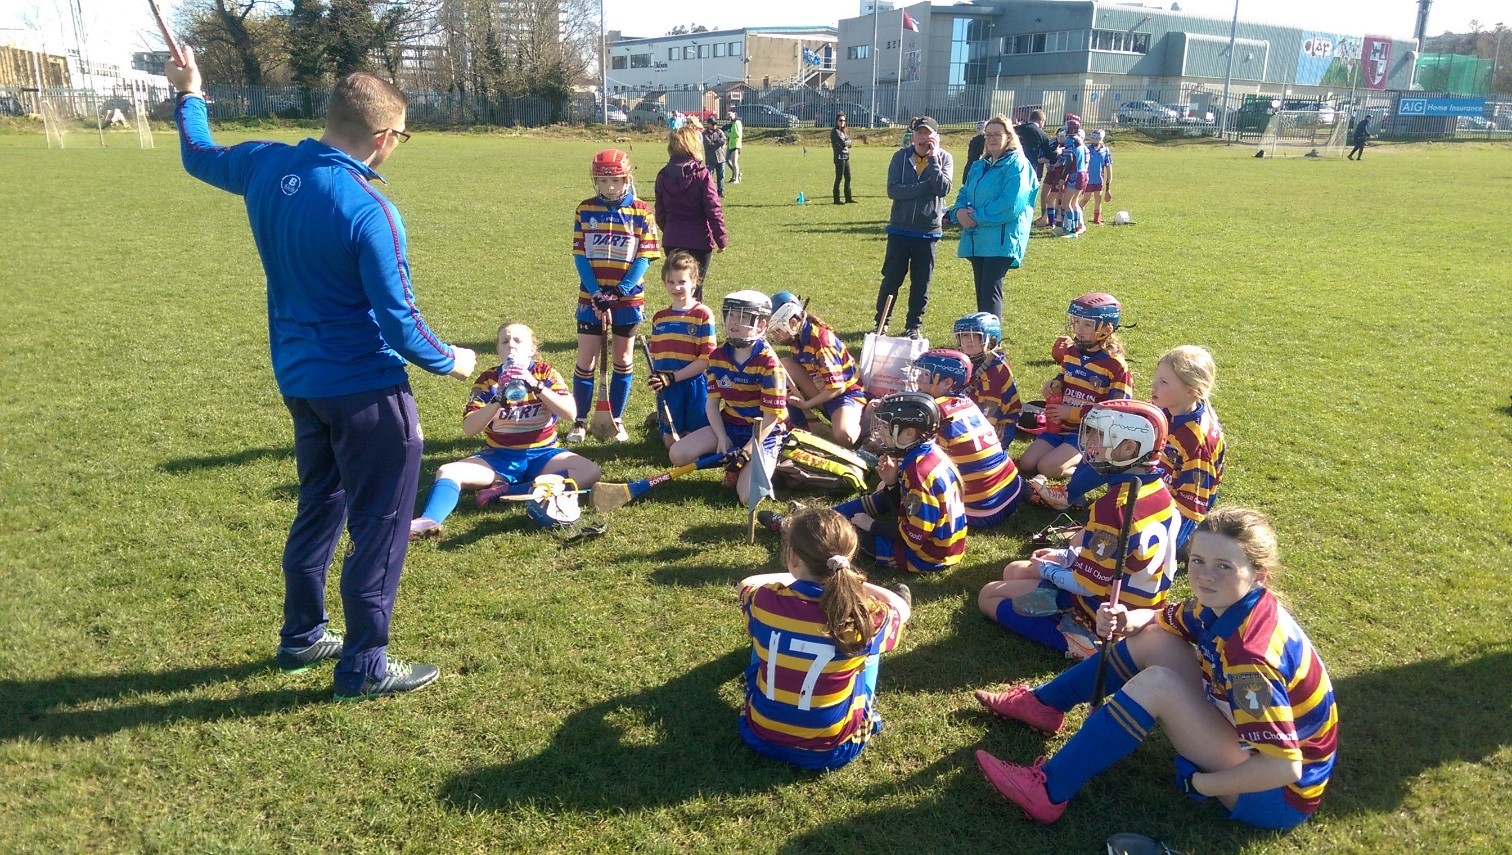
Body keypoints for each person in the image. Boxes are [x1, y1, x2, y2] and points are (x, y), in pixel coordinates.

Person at [166, 48, 477, 700]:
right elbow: (402, 326)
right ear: (385, 138)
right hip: (367, 393)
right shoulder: (369, 210)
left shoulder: (266, 161)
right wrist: (458, 362)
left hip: (301, 383)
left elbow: (198, 153)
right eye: (402, 137)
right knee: (380, 526)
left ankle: (303, 633)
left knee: (321, 507)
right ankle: (364, 665)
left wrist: (190, 92)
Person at [973, 507, 1338, 831]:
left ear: (1260, 574)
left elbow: (1284, 768)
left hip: (1276, 795)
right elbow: (1164, 620)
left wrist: (1200, 784)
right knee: (1153, 640)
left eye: (1224, 566)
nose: (1205, 576)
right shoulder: (1229, 603)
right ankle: (1043, 705)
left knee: (1157, 685)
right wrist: (1125, 618)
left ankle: (1048, 791)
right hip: (1254, 747)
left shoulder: (1251, 657)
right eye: (1198, 561)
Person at [979, 400, 1178, 659]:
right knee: (1013, 570)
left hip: (1104, 613)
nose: (1092, 444)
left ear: (1129, 447)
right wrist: (1064, 557)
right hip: (1142, 607)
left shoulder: (1114, 507)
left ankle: (1082, 641)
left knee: (987, 596)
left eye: (1101, 435)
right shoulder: (1160, 492)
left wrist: (1048, 570)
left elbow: (1087, 586)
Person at [738, 507, 912, 770]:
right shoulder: (866, 617)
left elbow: (746, 583)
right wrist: (863, 588)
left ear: (792, 556)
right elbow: (901, 609)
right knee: (870, 649)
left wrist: (791, 578)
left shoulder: (764, 599)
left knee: (760, 631)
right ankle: (869, 711)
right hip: (833, 749)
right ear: (848, 559)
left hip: (760, 734)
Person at [410, 323, 601, 538]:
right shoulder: (488, 380)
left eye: (518, 341)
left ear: (531, 349)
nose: (511, 345)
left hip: (544, 455)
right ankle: (429, 520)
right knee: (448, 471)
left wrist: (536, 386)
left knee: (590, 471)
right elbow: (469, 428)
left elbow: (570, 414)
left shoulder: (544, 372)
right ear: (498, 350)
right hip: (499, 457)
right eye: (505, 341)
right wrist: (498, 399)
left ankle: (507, 492)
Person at [1034, 346, 1225, 553]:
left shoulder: (1198, 439)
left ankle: (1186, 543)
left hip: (1169, 506)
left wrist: (1166, 545)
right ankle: (1069, 494)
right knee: (1107, 447)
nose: (1154, 385)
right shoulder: (1161, 409)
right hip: (1149, 481)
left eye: (1163, 382)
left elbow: (1192, 507)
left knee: (1100, 546)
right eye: (1156, 378)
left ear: (1191, 391)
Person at [763, 392, 967, 574]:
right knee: (877, 499)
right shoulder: (927, 454)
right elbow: (908, 508)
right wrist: (890, 485)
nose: (882, 433)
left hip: (923, 557)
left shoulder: (918, 474)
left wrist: (873, 526)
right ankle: (819, 517)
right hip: (940, 545)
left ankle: (792, 526)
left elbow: (913, 538)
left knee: (843, 534)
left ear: (909, 433)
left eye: (887, 428)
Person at [569, 148, 662, 444]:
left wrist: (619, 292)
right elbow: (581, 256)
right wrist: (597, 294)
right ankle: (580, 420)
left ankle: (616, 418)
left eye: (616, 181)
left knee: (622, 359)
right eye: (603, 181)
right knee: (586, 360)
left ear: (627, 179)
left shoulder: (643, 211)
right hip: (591, 299)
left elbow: (644, 258)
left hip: (628, 300)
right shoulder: (584, 210)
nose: (610, 188)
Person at [668, 291, 786, 505]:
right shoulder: (717, 357)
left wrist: (748, 450)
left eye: (742, 317)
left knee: (748, 497)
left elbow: (771, 418)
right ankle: (732, 462)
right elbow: (712, 404)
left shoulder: (769, 364)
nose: (734, 321)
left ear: (761, 325)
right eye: (731, 315)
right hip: (730, 425)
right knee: (677, 454)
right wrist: (722, 438)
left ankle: (763, 463)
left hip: (763, 434)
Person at [1018, 292, 1132, 482]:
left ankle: (1094, 464)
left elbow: (1115, 412)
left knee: (1046, 468)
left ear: (1106, 329)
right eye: (1076, 321)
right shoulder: (1071, 352)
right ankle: (1066, 454)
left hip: (1088, 434)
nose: (1079, 328)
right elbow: (1064, 376)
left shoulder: (1116, 366)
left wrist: (1070, 413)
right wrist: (1054, 384)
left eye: (1087, 324)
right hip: (1059, 426)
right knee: (1027, 463)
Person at [909, 349, 1024, 529]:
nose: (918, 380)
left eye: (925, 375)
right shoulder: (967, 401)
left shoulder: (933, 414)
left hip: (981, 511)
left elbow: (917, 465)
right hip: (1013, 490)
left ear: (947, 382)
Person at [947, 114, 1040, 319]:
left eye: (997, 134)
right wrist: (959, 212)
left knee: (990, 292)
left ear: (1009, 136)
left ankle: (991, 343)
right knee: (982, 292)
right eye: (988, 134)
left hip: (1001, 240)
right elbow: (965, 192)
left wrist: (976, 217)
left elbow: (1011, 204)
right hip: (976, 238)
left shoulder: (1018, 165)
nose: (991, 139)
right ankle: (982, 339)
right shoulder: (979, 165)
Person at [875, 117, 954, 338]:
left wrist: (934, 161)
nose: (922, 138)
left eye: (927, 134)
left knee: (921, 283)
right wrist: (923, 187)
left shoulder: (945, 158)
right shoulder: (900, 157)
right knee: (891, 279)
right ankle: (882, 323)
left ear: (936, 138)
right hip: (899, 230)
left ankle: (913, 326)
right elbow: (893, 191)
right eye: (919, 133)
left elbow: (942, 188)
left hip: (928, 232)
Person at [768, 291, 867, 446]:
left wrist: (807, 404)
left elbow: (837, 388)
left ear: (793, 322)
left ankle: (867, 427)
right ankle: (800, 426)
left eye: (777, 330)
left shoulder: (822, 343)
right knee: (783, 367)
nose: (775, 336)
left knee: (845, 436)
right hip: (824, 392)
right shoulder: (797, 340)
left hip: (845, 395)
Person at [646, 251, 717, 449]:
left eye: (682, 282)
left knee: (694, 437)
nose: (676, 287)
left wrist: (674, 377)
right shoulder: (659, 318)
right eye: (670, 282)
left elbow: (706, 359)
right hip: (668, 387)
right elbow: (654, 357)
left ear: (694, 282)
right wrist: (655, 377)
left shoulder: (702, 314)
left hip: (694, 384)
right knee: (671, 443)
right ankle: (657, 425)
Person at [654, 123, 727, 301]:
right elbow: (713, 209)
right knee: (695, 290)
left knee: (678, 290)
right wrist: (721, 238)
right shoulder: (702, 174)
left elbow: (660, 211)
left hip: (672, 239)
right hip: (699, 240)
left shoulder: (663, 175)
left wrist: (670, 229)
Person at [953, 312, 1022, 444]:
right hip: (972, 413)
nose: (967, 340)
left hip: (997, 423)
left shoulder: (993, 370)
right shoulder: (968, 362)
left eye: (975, 336)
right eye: (964, 335)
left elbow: (990, 409)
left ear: (991, 340)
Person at [1055, 129, 1090, 237]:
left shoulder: (1070, 141)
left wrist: (1062, 178)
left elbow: (1069, 160)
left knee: (1067, 204)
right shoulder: (1081, 143)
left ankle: (1069, 230)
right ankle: (1076, 228)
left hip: (1074, 175)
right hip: (1082, 174)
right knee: (1074, 203)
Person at [1038, 128, 1067, 228]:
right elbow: (1043, 157)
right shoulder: (1052, 143)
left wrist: (1056, 162)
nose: (1059, 138)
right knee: (1045, 196)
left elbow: (1066, 161)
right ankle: (1046, 219)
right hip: (1051, 172)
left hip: (1060, 174)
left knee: (1056, 199)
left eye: (1062, 136)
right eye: (1058, 136)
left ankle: (1055, 221)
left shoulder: (1068, 146)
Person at [1085, 129, 1113, 225]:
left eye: (1097, 138)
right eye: (1092, 137)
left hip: (1098, 180)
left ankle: (1097, 219)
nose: (1094, 140)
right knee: (1086, 198)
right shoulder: (1087, 149)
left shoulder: (1105, 150)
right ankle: (1075, 215)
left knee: (1098, 199)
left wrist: (1108, 189)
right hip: (1088, 180)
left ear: (1101, 139)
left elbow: (1108, 168)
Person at [831, 113, 855, 204]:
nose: (842, 122)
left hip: (846, 156)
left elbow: (850, 143)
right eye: (840, 120)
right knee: (839, 178)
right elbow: (843, 143)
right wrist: (847, 142)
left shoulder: (844, 132)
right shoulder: (835, 132)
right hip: (839, 157)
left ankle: (848, 198)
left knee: (848, 177)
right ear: (837, 121)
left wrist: (847, 142)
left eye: (844, 120)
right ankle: (836, 199)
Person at [702, 120, 728, 197]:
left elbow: (724, 140)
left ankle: (720, 191)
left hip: (720, 158)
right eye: (712, 124)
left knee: (721, 176)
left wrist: (716, 142)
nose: (714, 126)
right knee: (709, 177)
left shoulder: (719, 131)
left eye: (715, 124)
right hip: (711, 158)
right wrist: (718, 142)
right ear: (708, 124)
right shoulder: (705, 133)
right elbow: (708, 144)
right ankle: (709, 192)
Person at [724, 110, 744, 184]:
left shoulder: (736, 123)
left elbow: (737, 134)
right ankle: (736, 175)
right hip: (731, 144)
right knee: (727, 160)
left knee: (734, 161)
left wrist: (727, 134)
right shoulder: (732, 123)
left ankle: (736, 179)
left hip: (736, 144)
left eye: (728, 117)